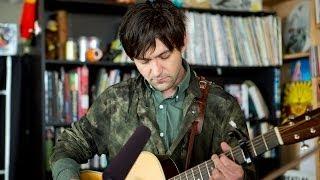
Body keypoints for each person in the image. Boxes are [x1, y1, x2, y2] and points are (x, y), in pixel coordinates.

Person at [50, 0, 256, 179]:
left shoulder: (222, 105)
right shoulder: (115, 100)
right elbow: (65, 148)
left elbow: (248, 172)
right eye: (144, 61)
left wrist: (241, 177)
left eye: (164, 56)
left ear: (183, 41)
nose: (156, 71)